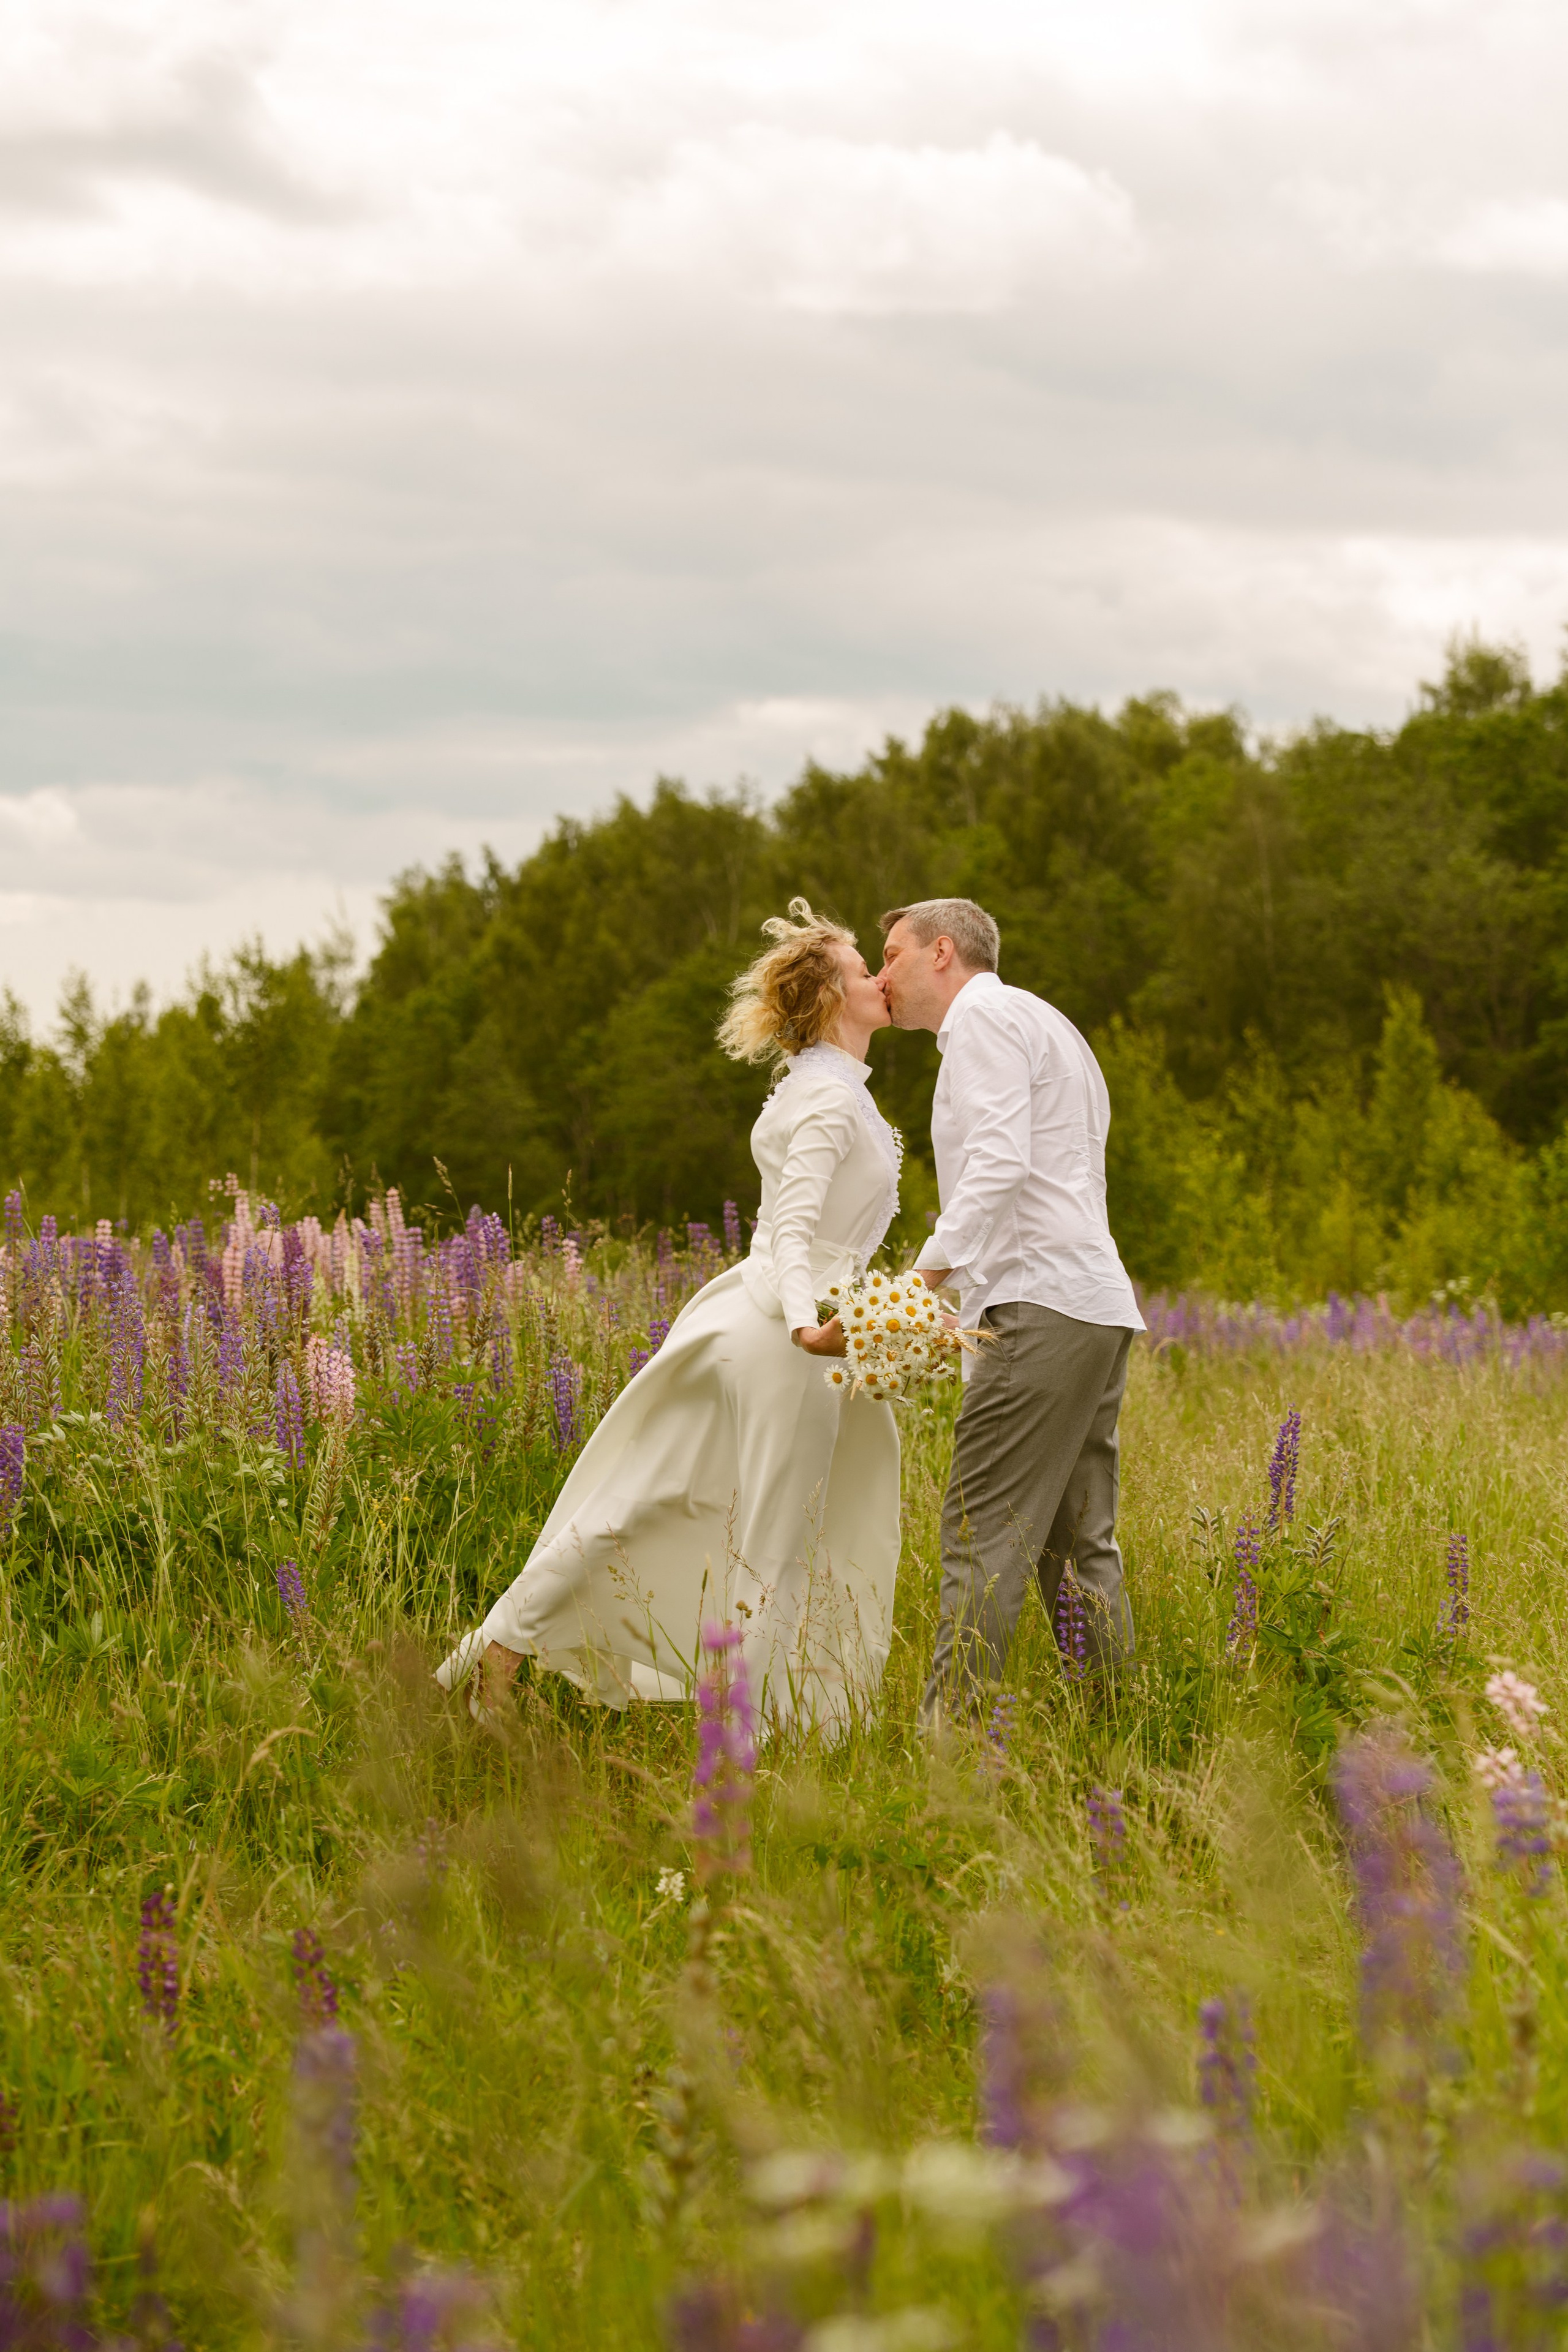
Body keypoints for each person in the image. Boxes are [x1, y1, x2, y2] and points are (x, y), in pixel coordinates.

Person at [437, 899, 902, 1733]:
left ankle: (496, 1656)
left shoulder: (818, 1088)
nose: (880, 979)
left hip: (756, 1318)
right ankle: (749, 1732)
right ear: (835, 996)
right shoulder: (830, 1102)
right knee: (774, 1540)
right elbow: (796, 1228)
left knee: (647, 1498)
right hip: (793, 1338)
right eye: (866, 969)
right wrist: (810, 1325)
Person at [876, 896, 1144, 1728]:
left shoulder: (984, 1020)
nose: (882, 975)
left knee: (981, 1535)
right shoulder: (1048, 1023)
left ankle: (950, 1757)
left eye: (892, 955)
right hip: (1092, 1302)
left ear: (942, 952)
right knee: (1078, 1550)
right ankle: (1117, 1742)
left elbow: (999, 1162)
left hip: (1039, 1305)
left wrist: (917, 1285)